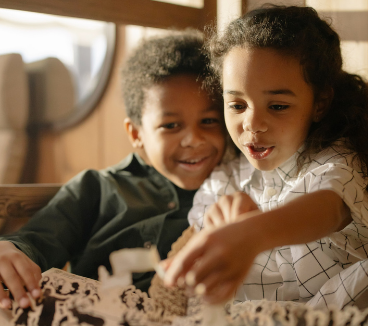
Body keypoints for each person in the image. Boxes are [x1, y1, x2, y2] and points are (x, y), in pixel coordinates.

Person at [163, 5, 368, 310]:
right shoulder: (226, 177)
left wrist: (252, 233)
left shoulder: (335, 160)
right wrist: (216, 227)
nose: (252, 123)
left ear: (320, 103)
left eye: (277, 106)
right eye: (237, 105)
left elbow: (328, 208)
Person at [0, 30, 227, 310]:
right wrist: (11, 250)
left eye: (209, 120)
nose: (194, 139)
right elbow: (37, 241)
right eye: (171, 126)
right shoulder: (98, 187)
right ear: (136, 133)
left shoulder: (237, 186)